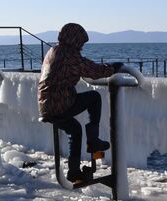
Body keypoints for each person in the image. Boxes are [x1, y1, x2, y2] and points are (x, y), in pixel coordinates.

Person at [38, 23, 123, 181]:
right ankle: (93, 141)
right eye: (81, 43)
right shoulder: (70, 55)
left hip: (46, 106)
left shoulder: (53, 50)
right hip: (59, 103)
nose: (82, 47)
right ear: (75, 40)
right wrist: (113, 68)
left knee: (75, 130)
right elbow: (94, 71)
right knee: (94, 97)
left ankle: (74, 172)